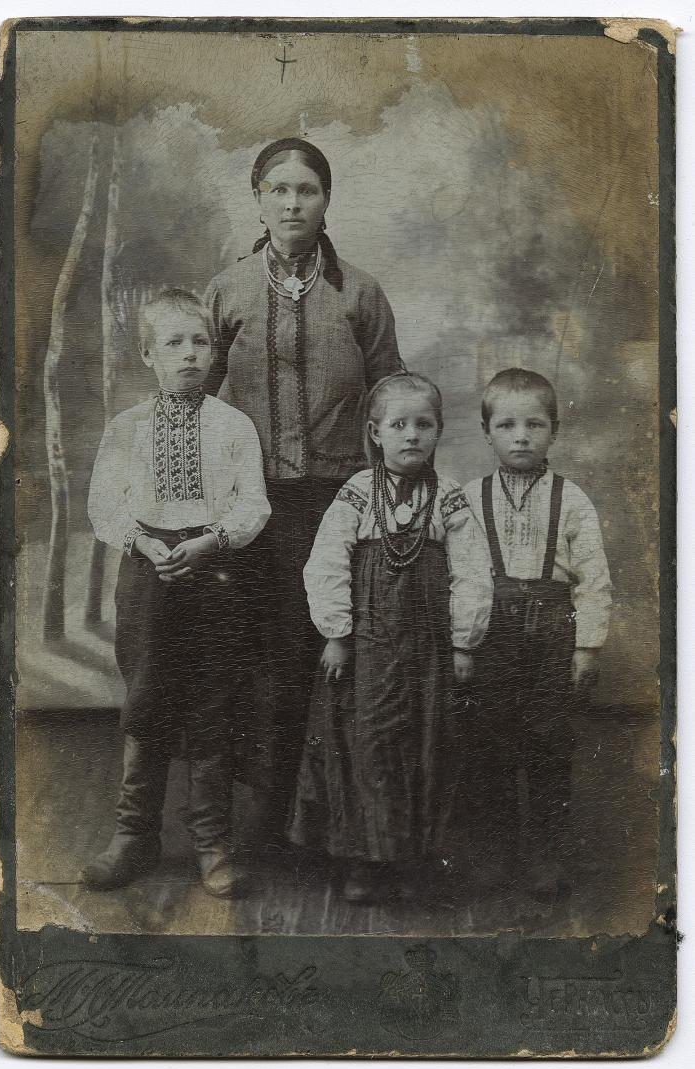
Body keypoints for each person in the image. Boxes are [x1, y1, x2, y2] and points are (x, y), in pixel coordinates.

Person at [204, 138, 403, 834]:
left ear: (326, 199)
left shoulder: (362, 294)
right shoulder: (227, 290)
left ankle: (342, 831)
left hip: (338, 506)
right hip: (251, 508)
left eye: (307, 189)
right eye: (278, 189)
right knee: (265, 659)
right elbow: (194, 404)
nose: (292, 203)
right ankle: (263, 824)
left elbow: (391, 402)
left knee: (340, 657)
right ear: (257, 195)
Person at [83, 288, 270, 897]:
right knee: (147, 697)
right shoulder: (127, 428)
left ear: (214, 351)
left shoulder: (233, 426)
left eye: (201, 342)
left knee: (214, 701)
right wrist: (142, 542)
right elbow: (104, 504)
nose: (190, 355)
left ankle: (211, 845)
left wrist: (213, 539)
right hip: (147, 574)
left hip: (214, 575)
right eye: (173, 343)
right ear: (147, 355)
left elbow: (253, 503)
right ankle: (134, 836)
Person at [287, 373, 493, 903]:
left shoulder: (447, 500)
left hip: (425, 654)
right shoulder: (357, 493)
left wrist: (464, 643)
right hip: (366, 650)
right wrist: (337, 633)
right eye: (398, 425)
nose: (412, 436)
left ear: (439, 432)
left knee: (423, 747)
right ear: (375, 433)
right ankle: (362, 861)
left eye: (424, 424)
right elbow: (326, 561)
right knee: (367, 747)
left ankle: (412, 860)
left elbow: (472, 572)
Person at [463, 368, 612, 906]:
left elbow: (594, 580)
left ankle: (547, 853)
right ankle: (492, 848)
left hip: (553, 634)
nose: (520, 436)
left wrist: (587, 647)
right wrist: (462, 643)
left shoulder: (572, 501)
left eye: (535, 424)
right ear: (487, 433)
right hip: (490, 635)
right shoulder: (467, 499)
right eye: (506, 425)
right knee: (487, 742)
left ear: (555, 431)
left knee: (549, 744)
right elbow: (460, 578)